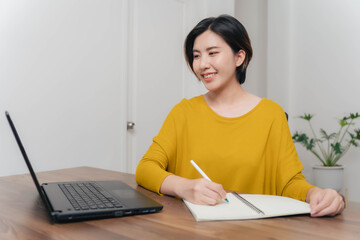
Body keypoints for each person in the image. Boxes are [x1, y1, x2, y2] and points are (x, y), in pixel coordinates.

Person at [135, 14, 344, 217]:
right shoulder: (183, 112)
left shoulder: (271, 114)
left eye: (212, 53)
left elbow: (290, 183)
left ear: (239, 57)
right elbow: (146, 169)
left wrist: (316, 194)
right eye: (196, 55)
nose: (202, 64)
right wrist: (184, 187)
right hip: (191, 230)